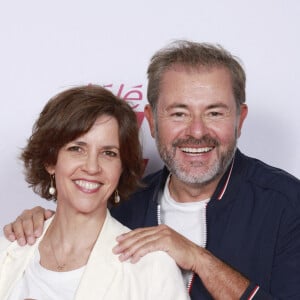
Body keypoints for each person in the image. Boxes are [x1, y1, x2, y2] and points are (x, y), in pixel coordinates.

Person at [4, 41, 300, 299]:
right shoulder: (126, 203)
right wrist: (39, 225)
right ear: (152, 121)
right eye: (179, 113)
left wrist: (199, 259)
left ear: (240, 119)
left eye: (214, 113)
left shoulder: (288, 204)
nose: (197, 131)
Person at [0, 85, 190, 300]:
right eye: (77, 149)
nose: (92, 167)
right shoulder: (8, 250)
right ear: (50, 161)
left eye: (108, 153)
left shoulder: (152, 267)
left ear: (121, 168)